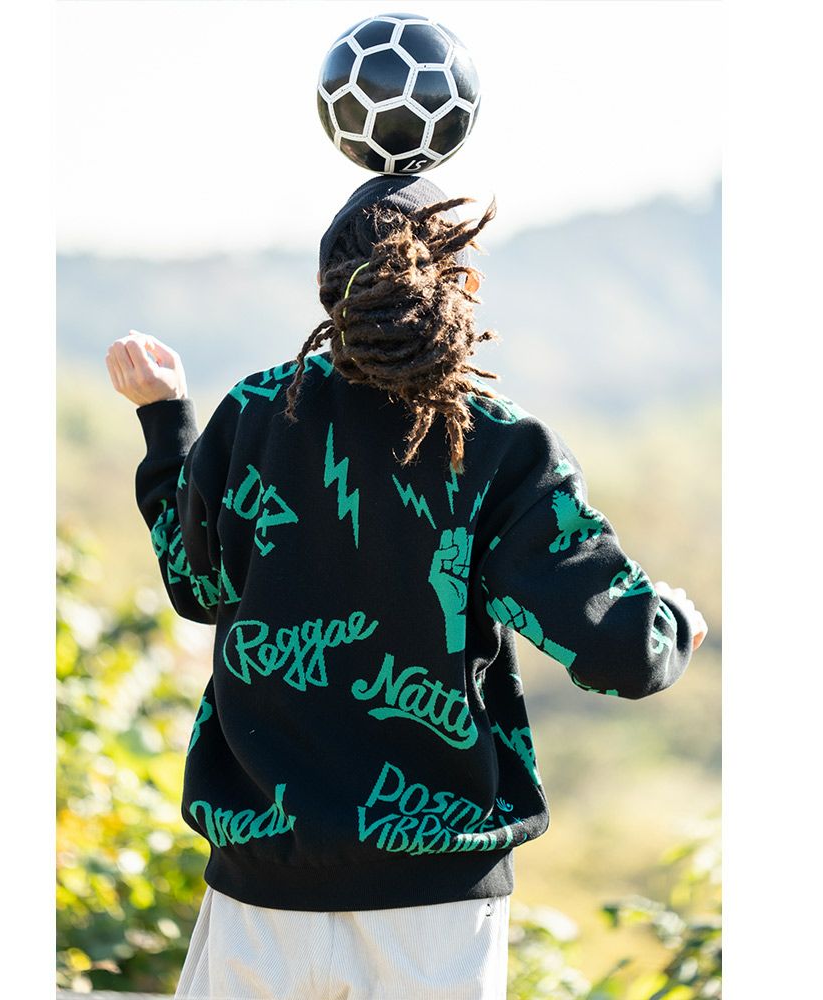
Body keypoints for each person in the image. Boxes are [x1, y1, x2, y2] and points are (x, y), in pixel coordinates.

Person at [105, 175, 709, 1000]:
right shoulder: (503, 446)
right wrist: (671, 623)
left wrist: (165, 416)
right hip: (435, 916)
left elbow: (193, 582)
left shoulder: (254, 414)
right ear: (462, 287)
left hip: (261, 894)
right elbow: (622, 656)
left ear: (331, 294)